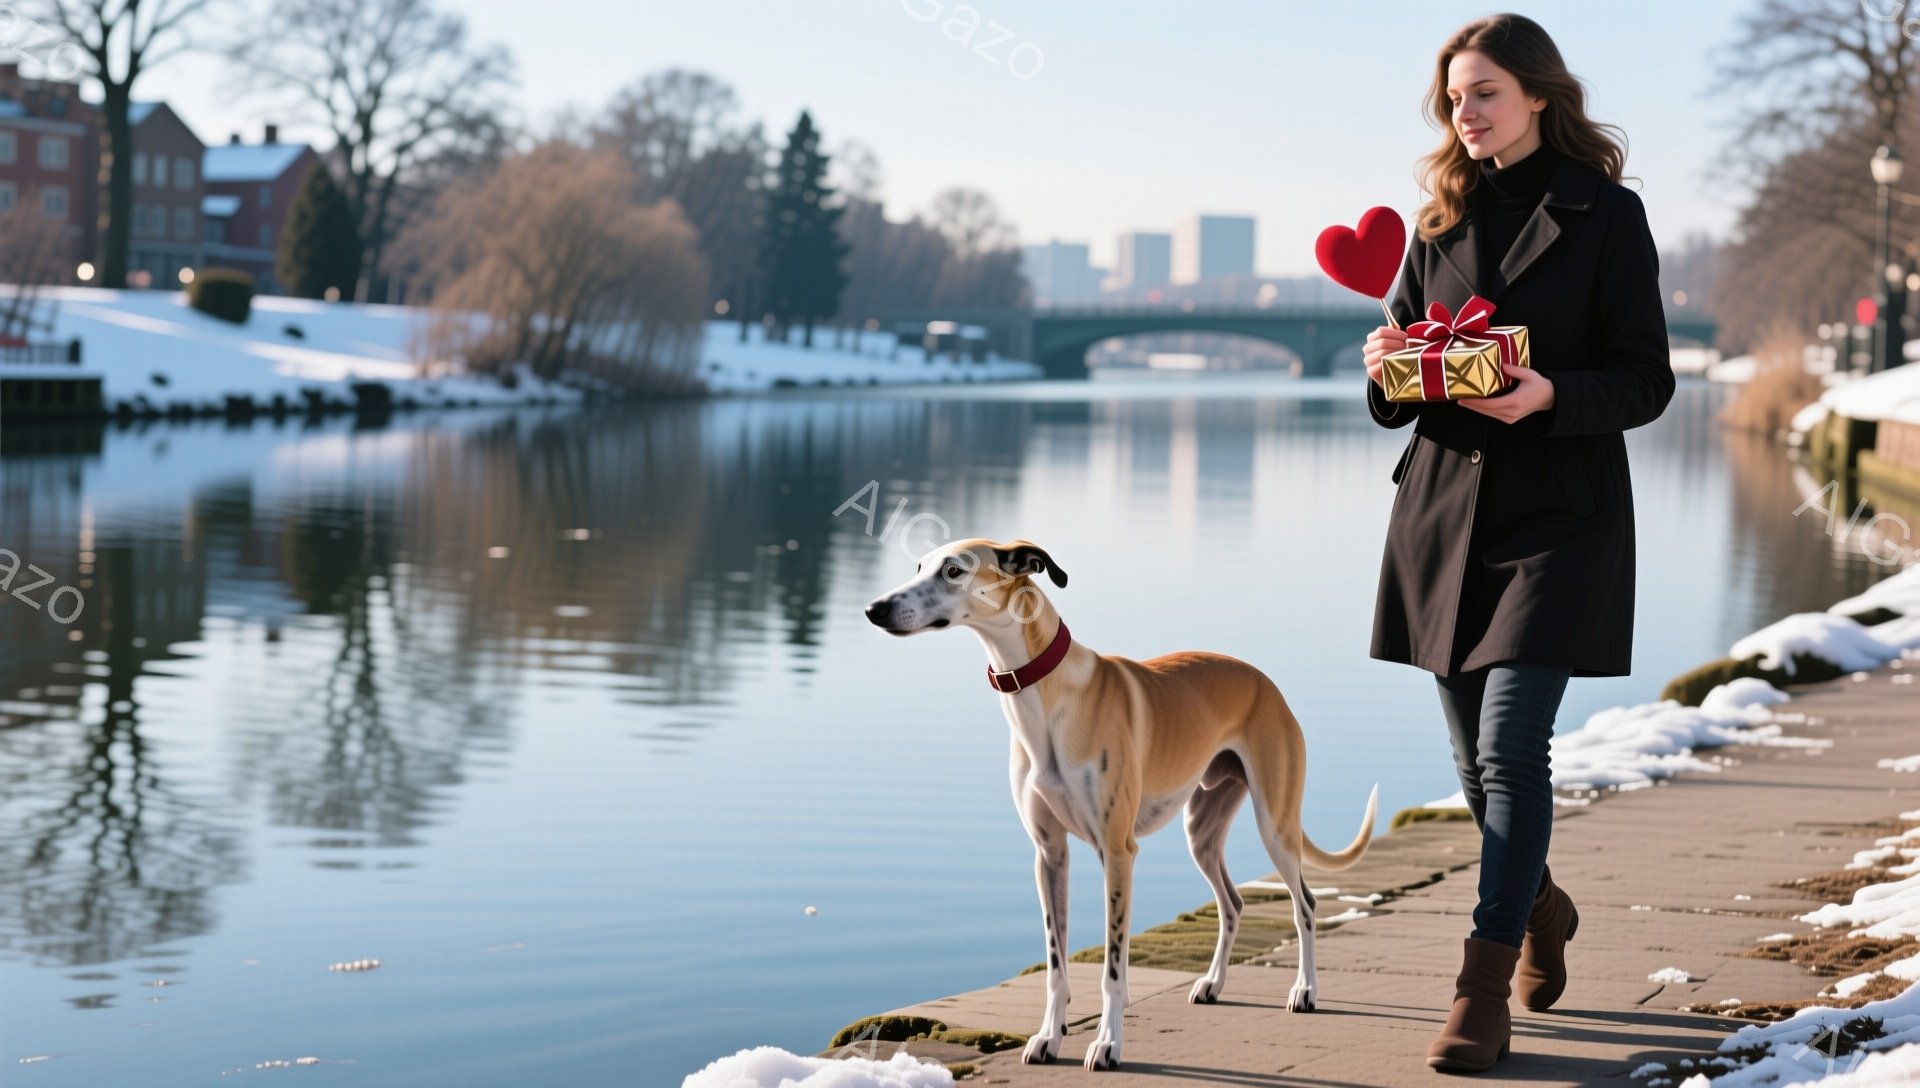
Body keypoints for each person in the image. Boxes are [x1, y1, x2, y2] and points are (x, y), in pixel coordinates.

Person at [1359, 13, 1676, 1075]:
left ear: (1540, 94)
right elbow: (1399, 386)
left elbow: (1645, 378)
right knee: (1472, 769)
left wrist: (1548, 395)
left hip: (1560, 519)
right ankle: (1540, 905)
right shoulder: (1436, 217)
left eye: (1484, 92)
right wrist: (1384, 364)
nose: (1467, 113)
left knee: (1510, 746)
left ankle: (1479, 987)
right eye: (1454, 98)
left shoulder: (1607, 216)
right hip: (1445, 521)